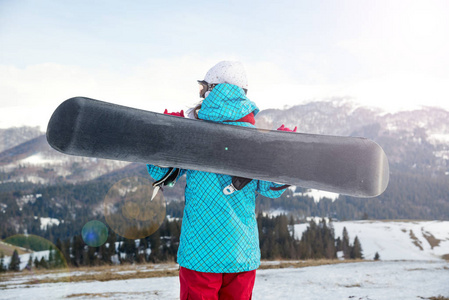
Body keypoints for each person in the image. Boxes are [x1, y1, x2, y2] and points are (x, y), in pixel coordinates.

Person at [147, 61, 294, 300]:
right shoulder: (255, 142)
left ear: (214, 89)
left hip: (199, 254)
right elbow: (270, 188)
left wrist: (166, 140)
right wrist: (284, 161)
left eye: (203, 88)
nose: (201, 94)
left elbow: (161, 174)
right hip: (241, 253)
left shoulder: (193, 135)